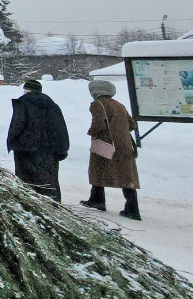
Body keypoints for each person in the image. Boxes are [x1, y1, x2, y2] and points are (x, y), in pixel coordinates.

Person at [79, 80, 141, 220]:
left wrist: (92, 132)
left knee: (98, 169)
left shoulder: (97, 104)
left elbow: (99, 123)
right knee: (126, 176)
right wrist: (120, 133)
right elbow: (131, 124)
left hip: (106, 144)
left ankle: (97, 200)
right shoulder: (119, 104)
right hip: (125, 146)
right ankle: (132, 207)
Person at [7, 80, 70, 202]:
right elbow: (60, 127)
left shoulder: (23, 102)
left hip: (26, 149)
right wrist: (63, 148)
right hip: (50, 150)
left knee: (27, 182)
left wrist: (12, 141)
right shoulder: (52, 104)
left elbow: (18, 124)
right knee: (49, 180)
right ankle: (53, 206)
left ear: (26, 90)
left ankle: (30, 206)